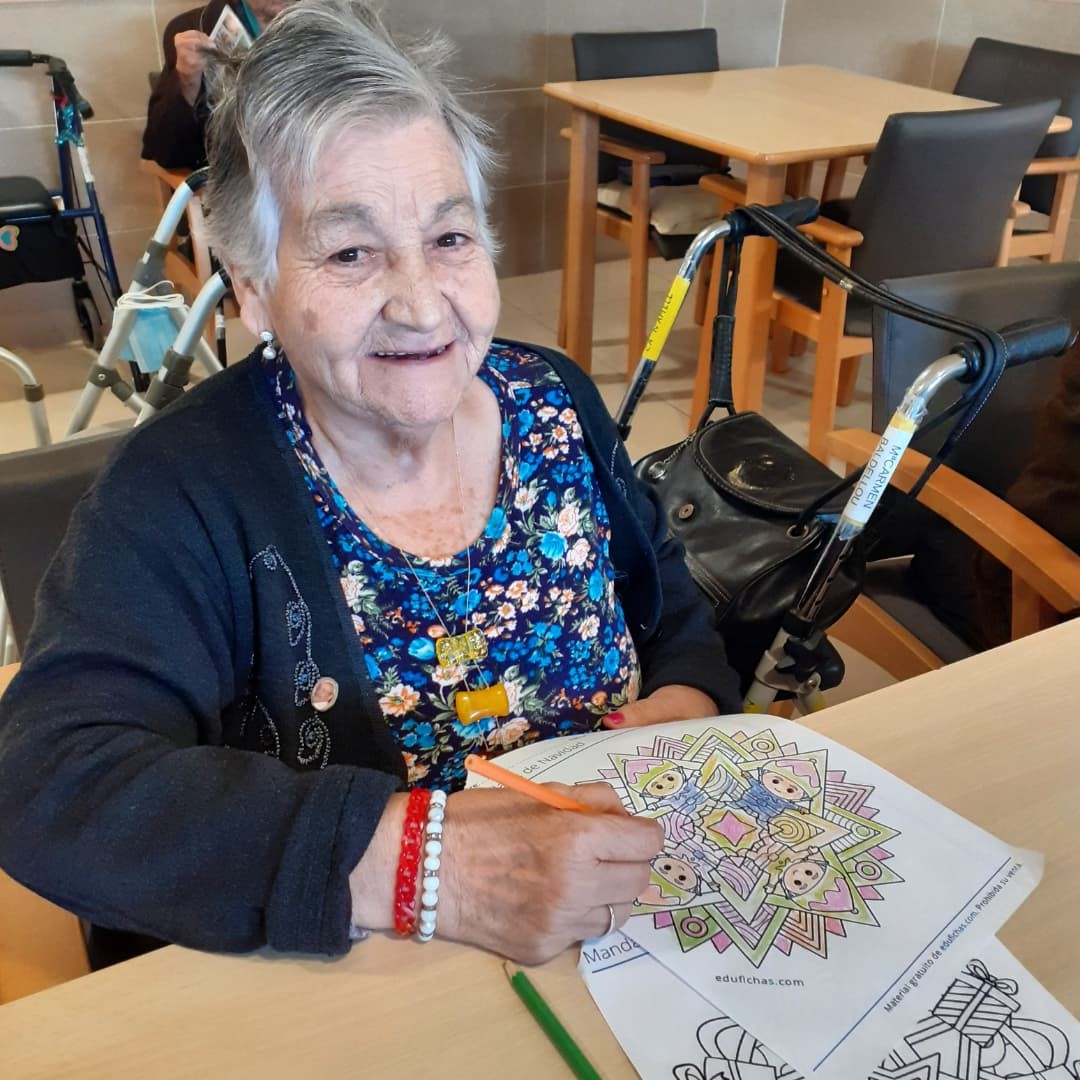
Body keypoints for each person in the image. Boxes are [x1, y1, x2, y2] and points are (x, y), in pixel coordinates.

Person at [0, 0, 742, 969]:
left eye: (449, 238)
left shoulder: (553, 399)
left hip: (617, 945)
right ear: (254, 286)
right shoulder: (183, 488)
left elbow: (668, 604)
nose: (422, 305)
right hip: (375, 992)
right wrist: (423, 866)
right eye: (350, 252)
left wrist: (686, 702)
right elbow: (50, 781)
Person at [142, 0, 298, 169]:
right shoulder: (196, 28)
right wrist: (187, 81)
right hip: (237, 175)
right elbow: (167, 152)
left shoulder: (317, 22)